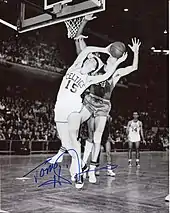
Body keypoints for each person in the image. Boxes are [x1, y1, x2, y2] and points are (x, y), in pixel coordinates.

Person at [72, 15, 142, 183]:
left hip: (103, 105)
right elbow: (80, 46)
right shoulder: (97, 65)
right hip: (90, 100)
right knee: (89, 136)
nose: (112, 56)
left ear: (117, 58)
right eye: (112, 54)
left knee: (97, 137)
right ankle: (83, 163)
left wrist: (136, 53)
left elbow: (134, 67)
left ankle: (92, 169)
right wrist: (84, 22)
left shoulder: (116, 73)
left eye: (115, 56)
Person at [49, 41, 127, 188]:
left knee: (74, 137)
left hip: (73, 109)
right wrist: (104, 49)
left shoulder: (89, 79)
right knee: (67, 144)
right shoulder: (75, 67)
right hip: (59, 109)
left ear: (93, 69)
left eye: (94, 63)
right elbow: (88, 50)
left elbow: (108, 75)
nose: (92, 61)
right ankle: (81, 166)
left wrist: (119, 62)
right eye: (91, 60)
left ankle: (79, 174)